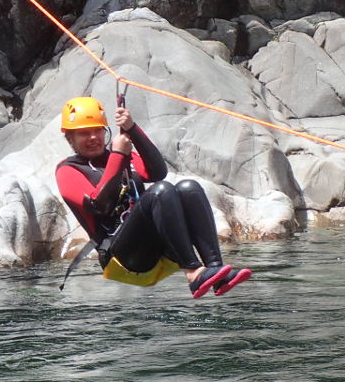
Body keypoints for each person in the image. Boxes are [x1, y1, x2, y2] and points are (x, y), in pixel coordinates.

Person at [55, 96, 251, 298]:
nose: (93, 137)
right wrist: (118, 155)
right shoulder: (68, 170)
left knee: (188, 187)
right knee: (161, 191)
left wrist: (132, 128)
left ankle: (216, 270)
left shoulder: (118, 153)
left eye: (97, 130)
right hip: (120, 254)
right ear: (70, 138)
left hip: (150, 242)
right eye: (84, 133)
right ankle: (193, 272)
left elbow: (157, 172)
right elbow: (99, 205)